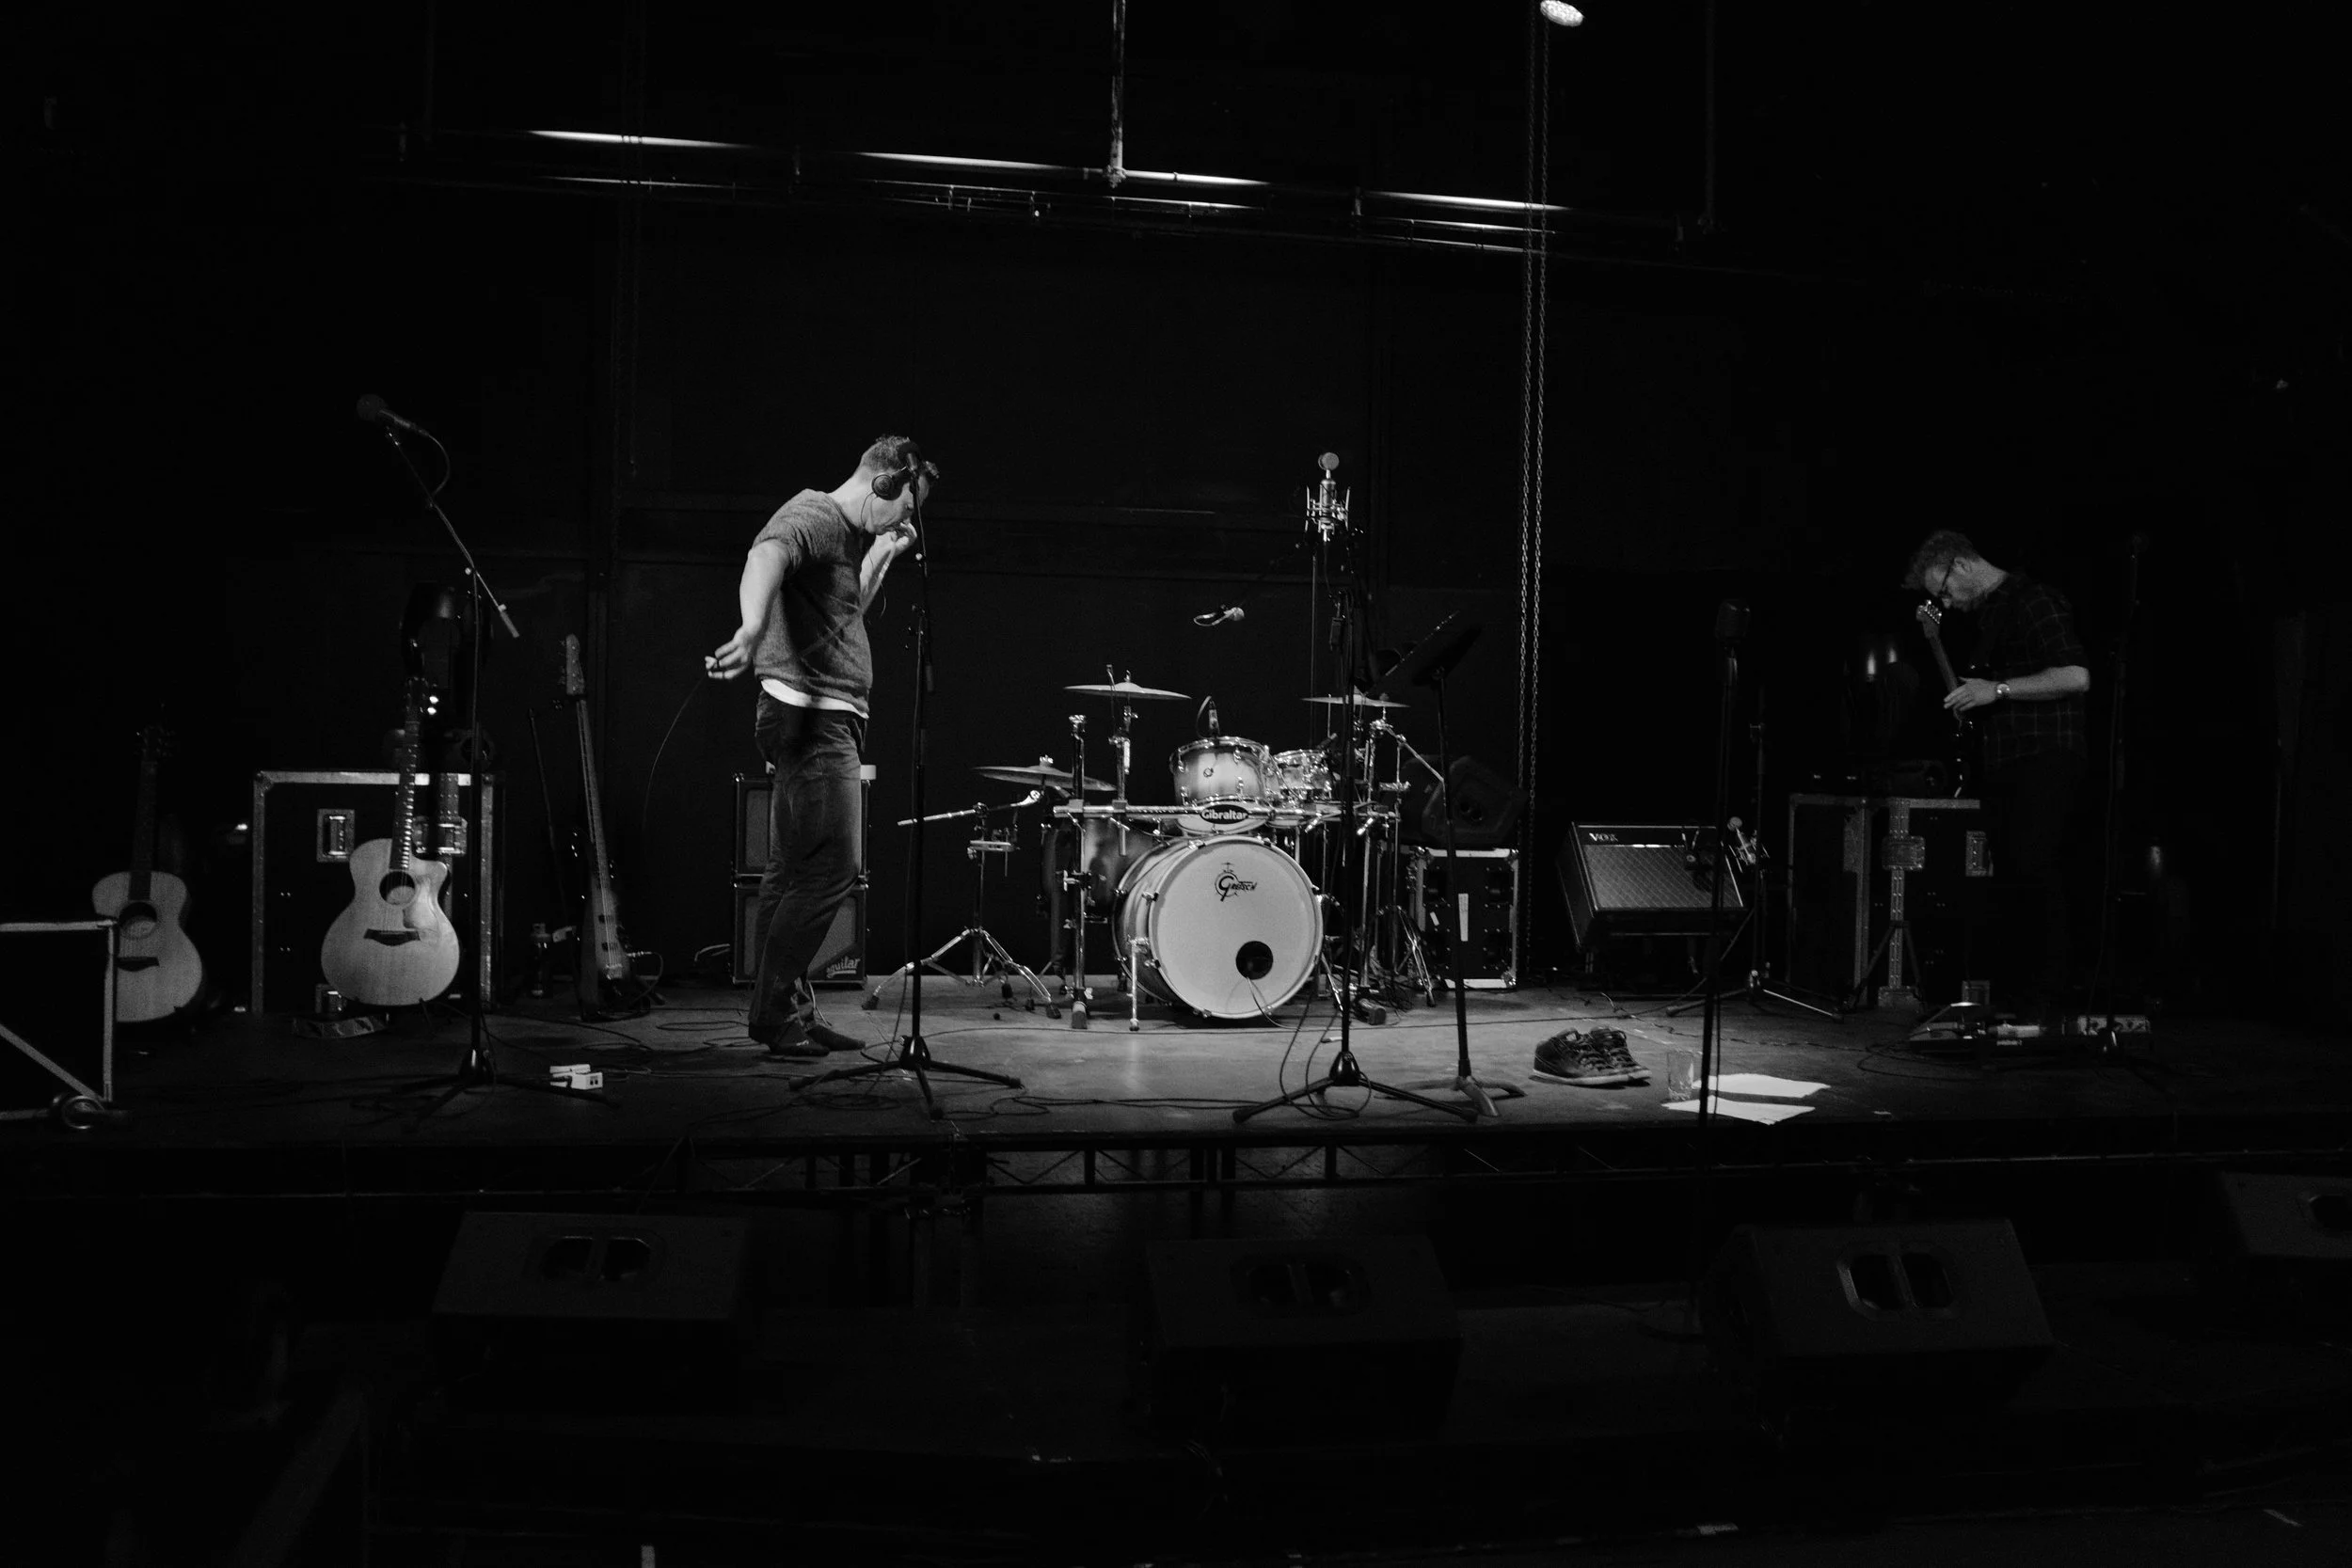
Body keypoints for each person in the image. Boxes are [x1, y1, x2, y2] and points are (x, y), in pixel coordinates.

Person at [707, 436, 932, 1057]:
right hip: (810, 719)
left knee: (791, 870)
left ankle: (786, 1015)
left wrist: (884, 551)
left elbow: (845, 609)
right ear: (884, 484)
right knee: (835, 867)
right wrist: (751, 626)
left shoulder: (848, 537)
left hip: (817, 718)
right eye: (906, 508)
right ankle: (777, 1011)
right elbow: (766, 556)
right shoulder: (813, 513)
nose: (908, 520)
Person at [1902, 530, 2092, 1015]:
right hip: (2007, 762)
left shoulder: (2035, 601)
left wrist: (1998, 690)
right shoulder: (1991, 616)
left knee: (2036, 869)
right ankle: (2021, 996)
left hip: (2045, 756)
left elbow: (2076, 676)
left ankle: (2048, 998)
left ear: (1960, 565)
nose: (1946, 601)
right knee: (2011, 877)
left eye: (1943, 590)